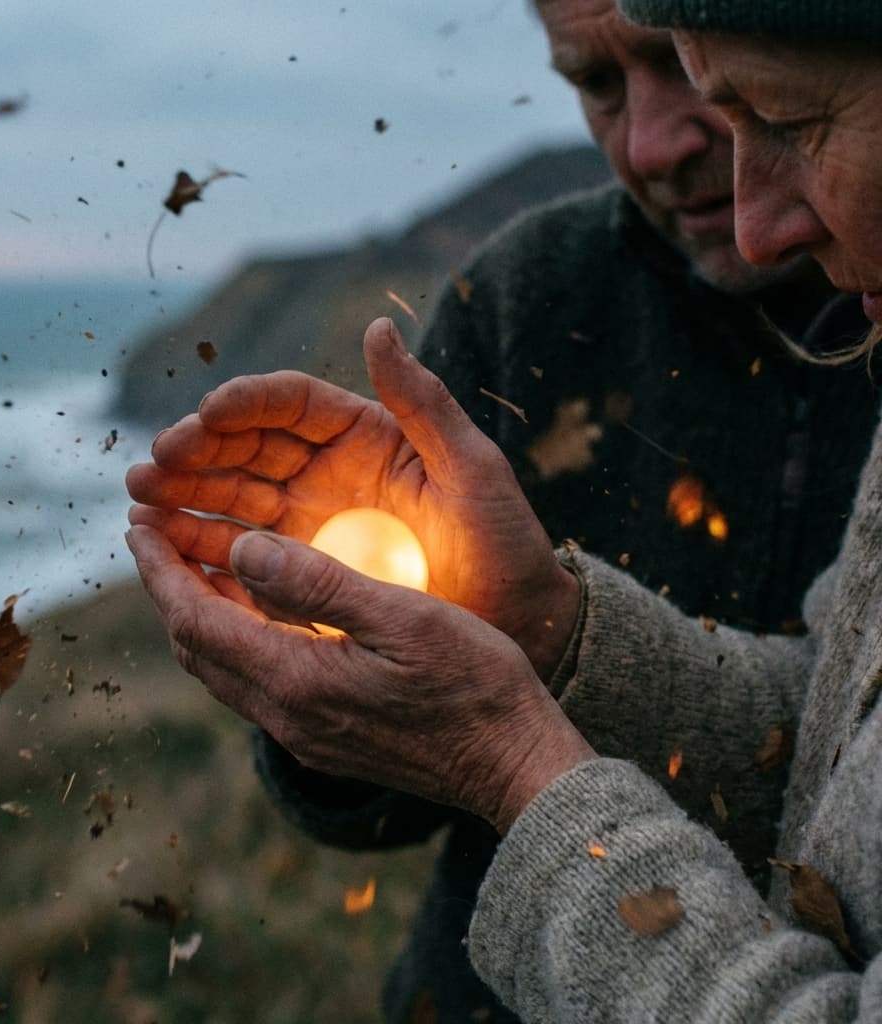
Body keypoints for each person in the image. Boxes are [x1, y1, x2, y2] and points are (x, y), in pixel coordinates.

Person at [125, 6, 882, 1024]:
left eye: (704, 76)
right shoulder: (531, 297)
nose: (657, 141)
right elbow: (831, 731)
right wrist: (532, 628)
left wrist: (510, 752)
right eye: (597, 85)